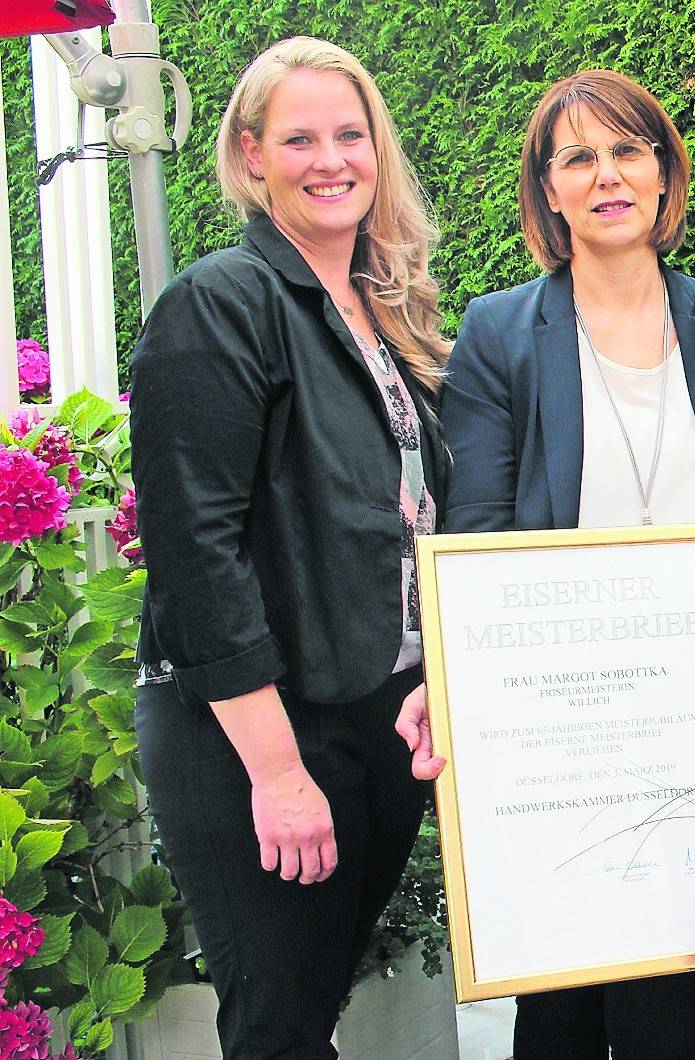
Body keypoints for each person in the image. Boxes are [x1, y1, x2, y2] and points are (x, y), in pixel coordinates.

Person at [400, 68, 695, 1060]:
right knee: (558, 994)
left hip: (676, 706)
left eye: (626, 151)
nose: (607, 175)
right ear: (549, 192)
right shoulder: (500, 332)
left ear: (662, 174)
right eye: (578, 158)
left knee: (669, 990)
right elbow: (476, 533)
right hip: (548, 710)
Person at [127, 37, 450, 1058]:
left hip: (372, 715)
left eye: (350, 135)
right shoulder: (219, 303)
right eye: (299, 138)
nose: (330, 160)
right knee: (277, 1027)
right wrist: (276, 770)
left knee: (308, 1013)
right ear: (251, 155)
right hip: (258, 727)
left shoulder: (382, 312)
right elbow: (195, 553)